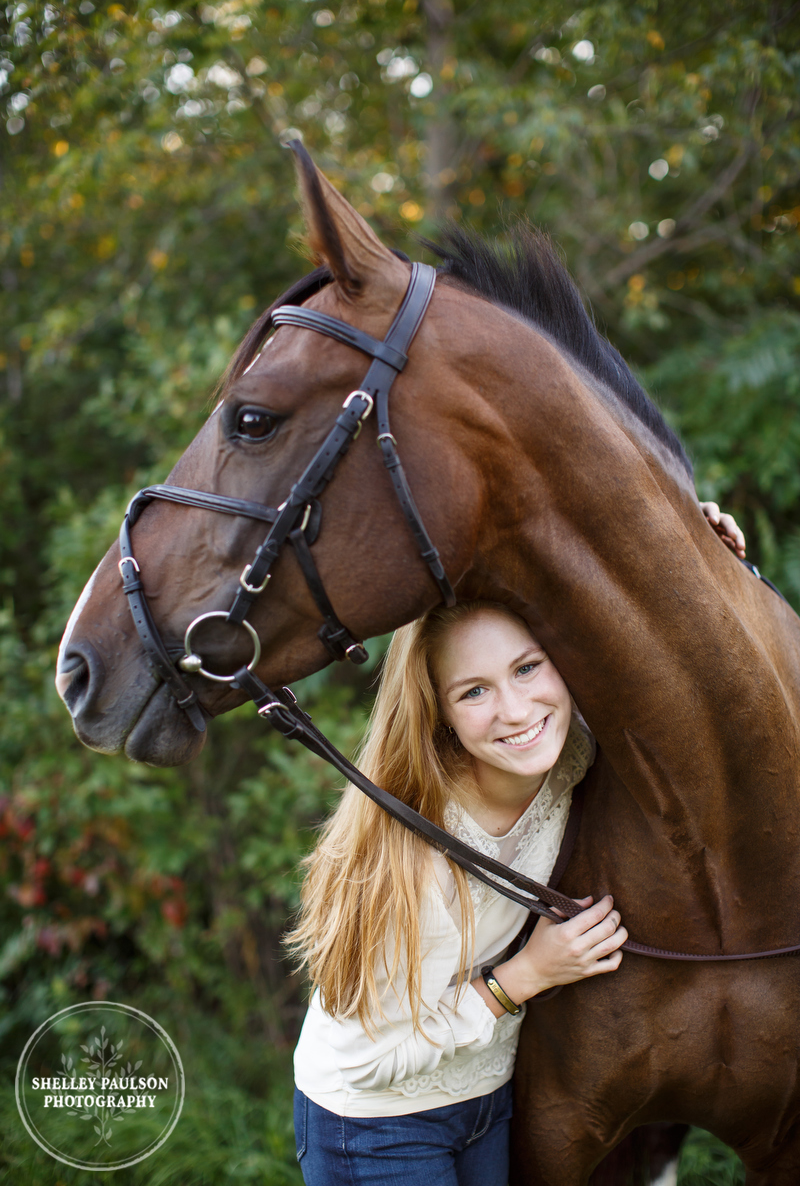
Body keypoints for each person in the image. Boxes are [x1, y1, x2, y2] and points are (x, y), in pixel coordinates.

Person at [287, 507, 746, 1186]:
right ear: (438, 713)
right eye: (475, 691)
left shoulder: (567, 755)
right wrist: (522, 979)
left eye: (528, 668)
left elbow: (664, 673)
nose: (516, 710)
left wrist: (698, 561)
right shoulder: (411, 852)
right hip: (375, 1125)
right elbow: (364, 1061)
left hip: (486, 1102)